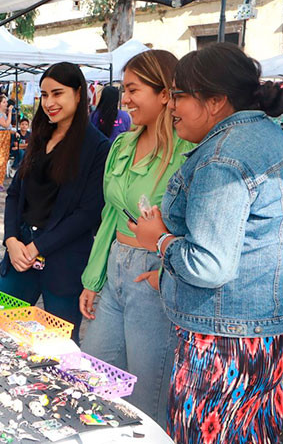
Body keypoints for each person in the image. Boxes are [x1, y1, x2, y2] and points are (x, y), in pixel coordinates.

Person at [129, 43, 283, 443]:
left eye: (178, 95)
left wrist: (158, 239)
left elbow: (209, 266)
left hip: (225, 342)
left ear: (214, 101)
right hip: (274, 331)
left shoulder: (221, 158)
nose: (171, 107)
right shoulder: (273, 138)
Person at [77, 50, 195, 427]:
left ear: (165, 94)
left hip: (155, 277)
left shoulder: (189, 152)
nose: (124, 99)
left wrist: (168, 273)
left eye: (133, 89)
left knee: (146, 398)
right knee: (93, 378)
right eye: (123, 89)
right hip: (114, 269)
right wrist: (93, 280)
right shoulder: (122, 145)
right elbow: (110, 215)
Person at [0, 62, 110, 344]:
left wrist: (39, 246)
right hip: (21, 252)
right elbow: (14, 194)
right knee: (0, 329)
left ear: (79, 93)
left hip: (63, 261)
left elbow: (88, 214)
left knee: (61, 346)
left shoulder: (97, 147)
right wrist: (11, 239)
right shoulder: (40, 135)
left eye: (57, 93)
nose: (49, 103)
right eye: (44, 95)